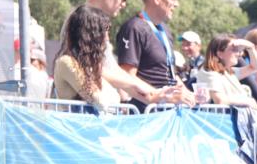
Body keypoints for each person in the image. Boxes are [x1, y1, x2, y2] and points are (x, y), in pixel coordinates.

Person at [54, 6, 184, 111]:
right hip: (79, 138)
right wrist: (121, 83)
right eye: (104, 31)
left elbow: (132, 89)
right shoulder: (67, 62)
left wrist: (158, 94)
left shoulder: (93, 67)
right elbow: (100, 102)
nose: (107, 37)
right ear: (90, 35)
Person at [116, 0, 195, 111]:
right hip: (146, 113)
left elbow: (169, 73)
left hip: (167, 111)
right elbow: (127, 76)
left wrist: (189, 95)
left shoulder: (165, 30)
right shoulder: (134, 28)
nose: (176, 4)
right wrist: (160, 96)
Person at [193, 34, 257, 107]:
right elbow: (220, 100)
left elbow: (255, 67)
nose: (239, 54)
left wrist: (251, 47)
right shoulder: (209, 72)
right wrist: (248, 101)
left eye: (238, 50)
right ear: (220, 54)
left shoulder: (227, 72)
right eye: (234, 49)